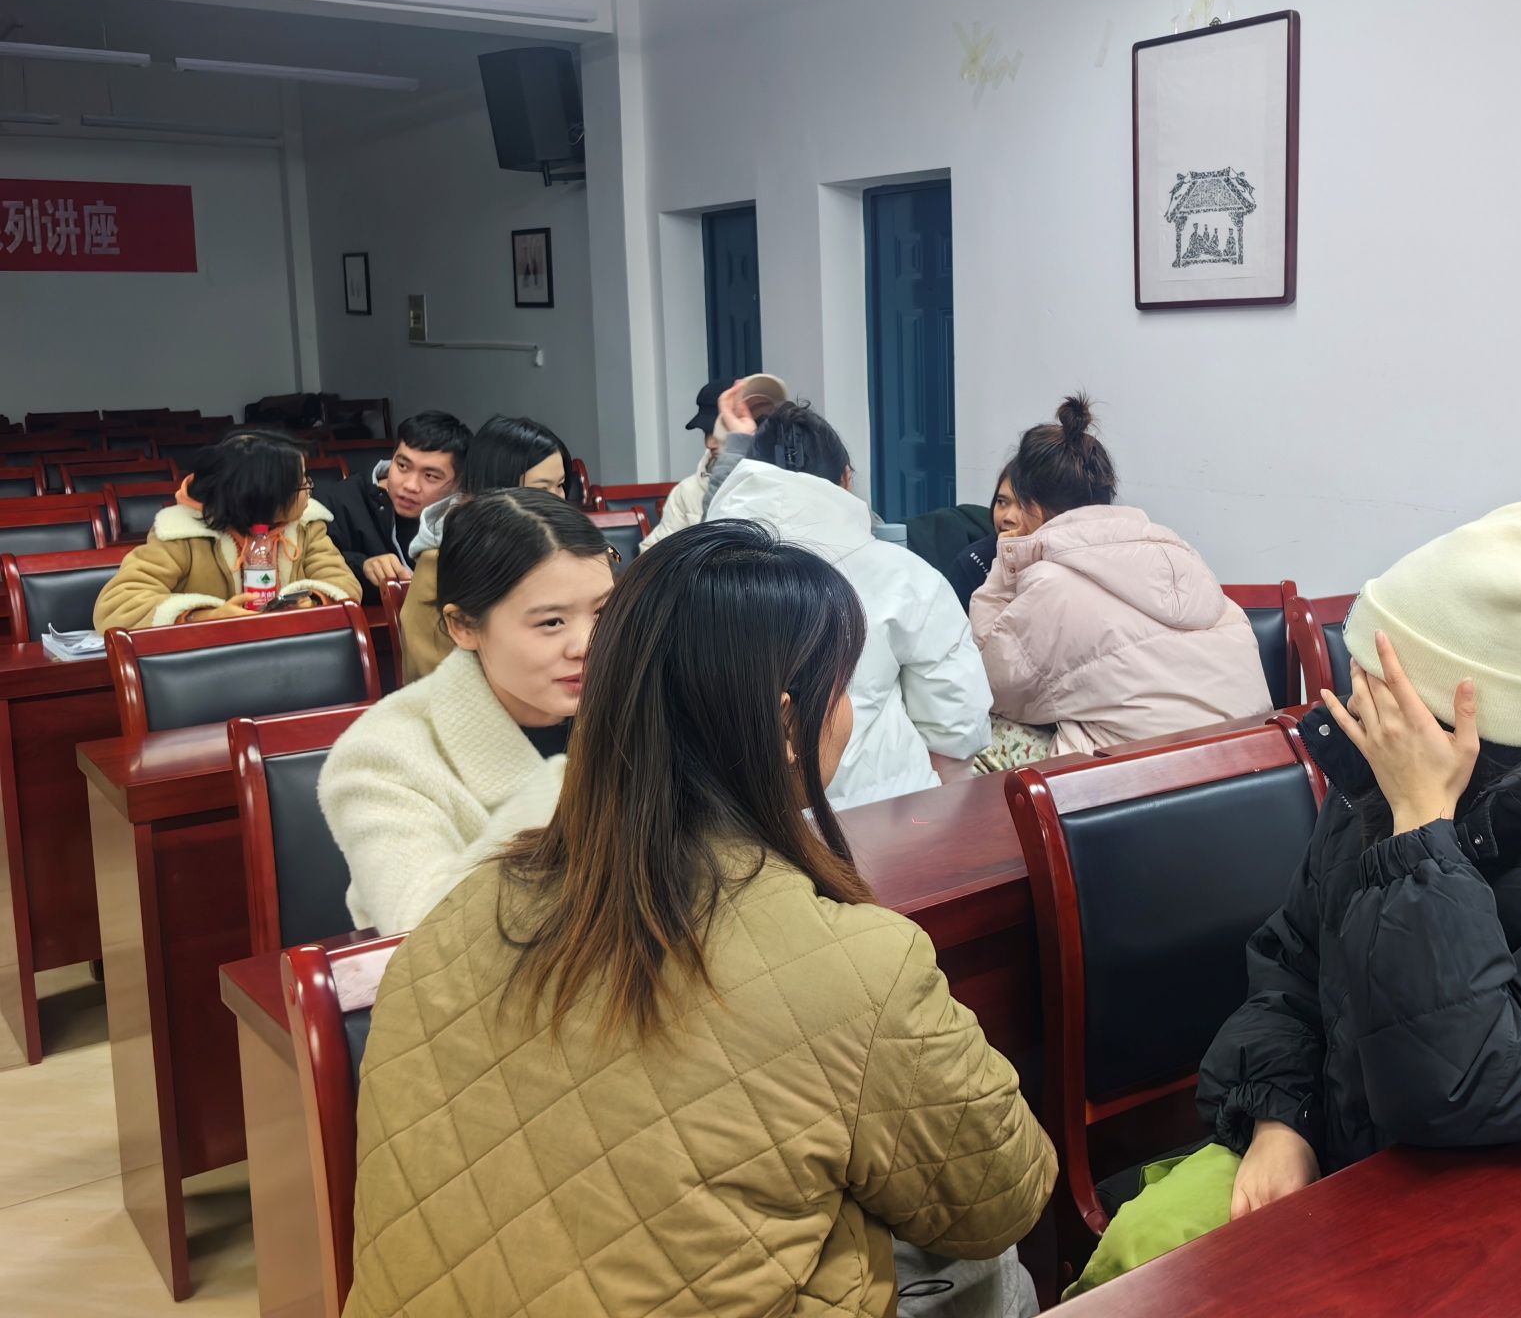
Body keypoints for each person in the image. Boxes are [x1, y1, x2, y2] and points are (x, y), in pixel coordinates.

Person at [345, 521, 1056, 1317]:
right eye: (843, 689)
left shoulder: (454, 917)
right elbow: (1002, 1199)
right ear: (785, 725)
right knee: (993, 1273)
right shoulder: (856, 967)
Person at [1070, 499, 1521, 1295]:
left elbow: (1477, 1092)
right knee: (1139, 1262)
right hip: (1330, 1147)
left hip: (1487, 1223)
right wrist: (1280, 1119)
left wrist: (1422, 838)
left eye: (1381, 680)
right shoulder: (1392, 772)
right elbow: (1292, 966)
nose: (1356, 698)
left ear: (1462, 717)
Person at [318, 490, 611, 934]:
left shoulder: (637, 706)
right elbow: (421, 931)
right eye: (551, 622)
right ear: (463, 626)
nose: (588, 645)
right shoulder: (380, 757)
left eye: (605, 613)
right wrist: (570, 787)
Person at [705, 399, 992, 805]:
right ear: (846, 479)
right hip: (888, 815)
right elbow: (956, 722)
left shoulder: (698, 573)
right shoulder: (905, 576)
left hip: (734, 817)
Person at [969, 396, 1269, 758]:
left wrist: (1005, 563)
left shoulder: (1051, 584)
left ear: (1033, 505)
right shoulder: (1174, 549)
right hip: (1252, 758)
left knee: (974, 734)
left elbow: (990, 683)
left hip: (1145, 775)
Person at [94, 428, 359, 630]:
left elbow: (343, 584)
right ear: (264, 494)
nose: (310, 490)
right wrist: (205, 617)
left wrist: (313, 600)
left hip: (291, 650)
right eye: (301, 484)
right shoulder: (182, 534)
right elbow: (118, 605)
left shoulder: (306, 525)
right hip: (211, 662)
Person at [398, 414, 572, 683]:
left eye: (559, 485)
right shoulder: (440, 563)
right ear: (499, 488)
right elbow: (433, 672)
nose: (557, 500)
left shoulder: (556, 551)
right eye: (541, 488)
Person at [314, 410, 470, 589]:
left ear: (458, 483)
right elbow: (308, 561)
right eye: (402, 466)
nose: (410, 485)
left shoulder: (466, 516)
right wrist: (362, 565)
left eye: (430, 476)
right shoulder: (340, 500)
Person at [644, 374, 788, 547]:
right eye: (706, 432)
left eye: (719, 429)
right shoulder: (688, 491)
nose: (709, 443)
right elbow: (652, 553)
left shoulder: (792, 483)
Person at [943, 459, 1023, 610]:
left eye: (1023, 506)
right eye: (1002, 502)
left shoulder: (1061, 559)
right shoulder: (972, 565)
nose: (1008, 517)